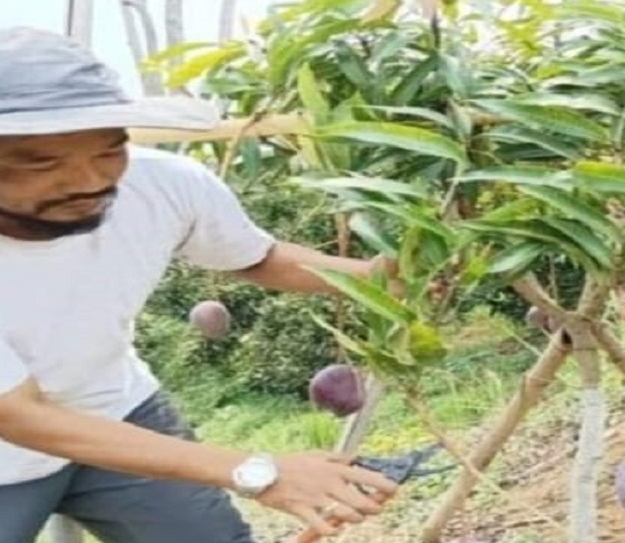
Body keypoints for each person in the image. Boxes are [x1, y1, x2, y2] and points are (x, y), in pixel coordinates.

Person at [0, 27, 401, 542]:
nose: (88, 180)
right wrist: (261, 472)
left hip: (115, 410)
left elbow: (258, 258)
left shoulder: (163, 185)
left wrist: (377, 280)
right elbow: (17, 414)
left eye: (108, 150)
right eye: (41, 162)